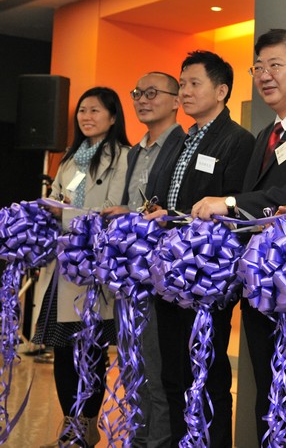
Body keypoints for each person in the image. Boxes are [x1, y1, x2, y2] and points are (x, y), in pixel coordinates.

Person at [190, 29, 286, 443]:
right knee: (266, 394)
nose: (264, 75)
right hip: (260, 286)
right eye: (258, 67)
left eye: (276, 65)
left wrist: (231, 202)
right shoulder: (264, 135)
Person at [147, 50, 255, 448]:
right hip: (170, 273)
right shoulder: (183, 138)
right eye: (182, 84)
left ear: (222, 90)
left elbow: (234, 207)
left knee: (205, 375)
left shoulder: (237, 140)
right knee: (173, 374)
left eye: (194, 84)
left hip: (205, 277)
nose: (184, 92)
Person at [34, 87, 130, 447]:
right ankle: (70, 424)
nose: (86, 117)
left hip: (95, 272)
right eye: (82, 111)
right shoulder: (69, 159)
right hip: (64, 270)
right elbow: (58, 198)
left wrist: (66, 214)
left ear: (113, 116)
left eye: (95, 110)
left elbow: (114, 210)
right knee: (62, 352)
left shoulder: (123, 157)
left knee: (89, 353)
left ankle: (87, 427)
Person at [102, 71, 185, 448]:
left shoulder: (182, 145)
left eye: (153, 93)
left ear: (175, 100)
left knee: (158, 366)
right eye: (137, 93)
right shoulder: (135, 150)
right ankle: (139, 435)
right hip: (129, 272)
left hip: (161, 274)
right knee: (133, 362)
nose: (142, 100)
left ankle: (159, 440)